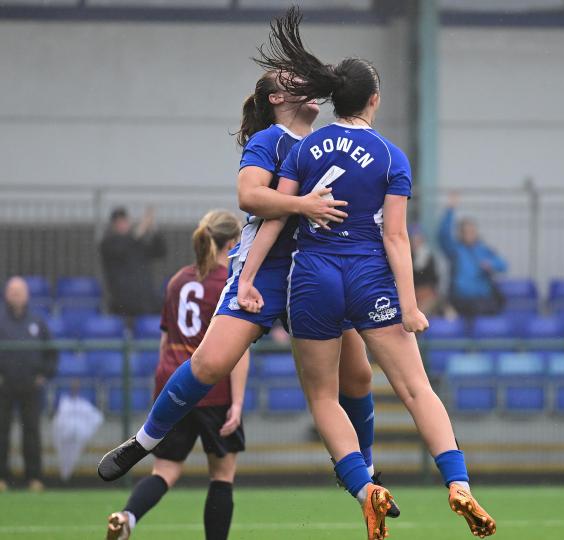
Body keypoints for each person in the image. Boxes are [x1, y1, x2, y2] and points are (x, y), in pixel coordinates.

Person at [234, 8, 496, 539]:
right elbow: (397, 238)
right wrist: (411, 305)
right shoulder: (390, 156)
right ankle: (459, 485)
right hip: (370, 276)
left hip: (313, 277)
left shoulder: (303, 147)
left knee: (324, 397)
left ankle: (365, 488)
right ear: (373, 99)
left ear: (335, 99)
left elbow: (274, 215)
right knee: (416, 388)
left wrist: (246, 276)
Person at [97, 66, 391, 518]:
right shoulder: (270, 140)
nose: (305, 87)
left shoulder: (327, 141)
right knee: (211, 362)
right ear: (275, 99)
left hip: (316, 272)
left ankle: (367, 478)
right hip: (266, 270)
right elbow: (249, 196)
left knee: (359, 378)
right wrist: (302, 204)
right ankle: (144, 441)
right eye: (291, 82)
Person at [106, 210, 247, 540]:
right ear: (231, 243)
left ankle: (128, 517)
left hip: (174, 386)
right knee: (222, 474)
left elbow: (165, 340)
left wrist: (164, 391)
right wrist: (237, 404)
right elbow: (237, 353)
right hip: (214, 392)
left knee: (165, 470)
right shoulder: (230, 284)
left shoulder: (178, 280)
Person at [0, 276, 56, 492]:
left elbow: (51, 353)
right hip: (4, 386)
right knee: (1, 432)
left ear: (27, 295)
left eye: (20, 291)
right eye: (12, 291)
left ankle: (34, 478)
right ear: (6, 294)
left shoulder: (37, 320)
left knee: (31, 432)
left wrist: (43, 374)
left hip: (31, 387)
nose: (16, 295)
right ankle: (2, 478)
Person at [439, 193, 508, 319]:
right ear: (461, 233)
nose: (471, 234)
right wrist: (450, 210)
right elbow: (443, 235)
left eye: (473, 231)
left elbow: (503, 265)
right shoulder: (455, 250)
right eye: (467, 231)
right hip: (461, 299)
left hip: (483, 299)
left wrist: (491, 264)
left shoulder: (484, 250)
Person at [99, 206, 167, 317]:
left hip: (145, 298)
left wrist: (153, 229)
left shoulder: (137, 243)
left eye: (124, 221)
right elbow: (123, 247)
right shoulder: (108, 243)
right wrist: (141, 228)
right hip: (121, 301)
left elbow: (160, 252)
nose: (122, 225)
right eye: (118, 222)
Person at [410, 223, 441, 316]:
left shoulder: (429, 257)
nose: (416, 242)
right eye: (414, 239)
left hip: (426, 293)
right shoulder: (407, 256)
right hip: (411, 294)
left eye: (419, 239)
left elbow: (434, 279)